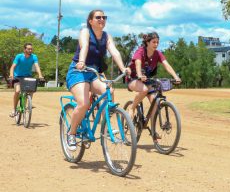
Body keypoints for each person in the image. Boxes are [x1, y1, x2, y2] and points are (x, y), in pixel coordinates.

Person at [65, 10, 130, 150]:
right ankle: (71, 133)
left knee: (109, 92)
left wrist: (123, 68)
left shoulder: (106, 36)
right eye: (98, 17)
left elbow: (114, 51)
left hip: (94, 73)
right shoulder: (85, 32)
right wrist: (81, 61)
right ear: (90, 21)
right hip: (78, 71)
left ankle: (105, 125)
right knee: (83, 103)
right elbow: (85, 47)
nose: (102, 19)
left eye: (104, 17)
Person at [127, 32, 181, 140]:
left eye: (157, 42)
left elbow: (166, 65)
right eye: (153, 42)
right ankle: (132, 108)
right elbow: (137, 63)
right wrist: (139, 75)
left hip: (147, 80)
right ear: (147, 42)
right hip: (133, 78)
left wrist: (176, 76)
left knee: (155, 103)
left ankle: (153, 131)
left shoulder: (158, 54)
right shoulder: (140, 51)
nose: (156, 44)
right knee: (144, 90)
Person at [8, 43, 44, 117]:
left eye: (31, 49)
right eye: (28, 49)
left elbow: (37, 66)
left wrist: (40, 75)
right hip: (17, 77)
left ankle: (28, 105)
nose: (30, 50)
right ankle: (14, 109)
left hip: (27, 76)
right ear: (24, 49)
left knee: (31, 89)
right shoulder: (19, 56)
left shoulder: (34, 57)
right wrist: (11, 75)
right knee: (17, 91)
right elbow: (12, 67)